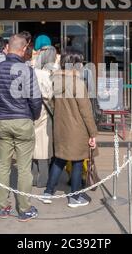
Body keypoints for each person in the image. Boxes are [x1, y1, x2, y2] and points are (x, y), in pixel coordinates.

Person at [0, 34, 42, 222]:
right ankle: (24, 209)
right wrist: (33, 116)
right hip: (23, 119)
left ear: (7, 48)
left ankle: (3, 207)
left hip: (3, 120)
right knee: (24, 168)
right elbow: (35, 99)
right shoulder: (27, 70)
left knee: (3, 165)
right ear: (24, 49)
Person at [41, 51, 98, 208]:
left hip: (60, 127)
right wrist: (93, 133)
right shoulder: (77, 83)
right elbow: (86, 111)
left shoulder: (55, 81)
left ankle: (48, 192)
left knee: (59, 159)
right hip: (77, 129)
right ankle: (75, 197)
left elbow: (51, 104)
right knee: (78, 161)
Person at [32, 45, 58, 188]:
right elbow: (51, 94)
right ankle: (44, 179)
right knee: (44, 145)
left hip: (32, 110)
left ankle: (33, 177)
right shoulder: (51, 73)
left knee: (34, 144)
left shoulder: (33, 71)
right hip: (46, 111)